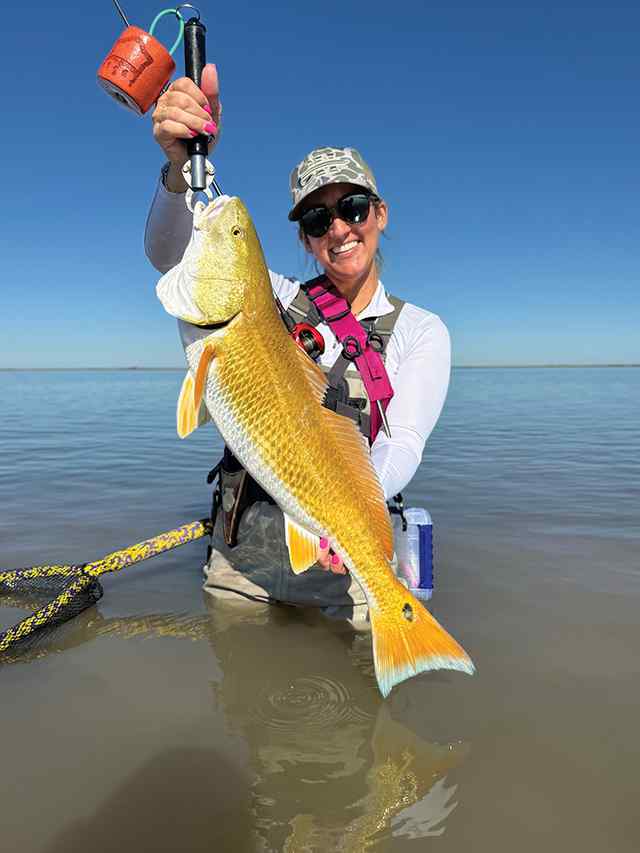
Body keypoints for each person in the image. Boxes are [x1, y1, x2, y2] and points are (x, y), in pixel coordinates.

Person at [145, 66, 451, 625]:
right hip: (244, 569)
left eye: (353, 208)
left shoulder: (420, 329)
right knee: (238, 697)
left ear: (380, 215)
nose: (339, 228)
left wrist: (341, 517)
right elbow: (171, 254)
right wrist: (177, 170)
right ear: (305, 238)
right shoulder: (273, 299)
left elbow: (404, 442)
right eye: (318, 217)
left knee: (363, 702)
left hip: (347, 565)